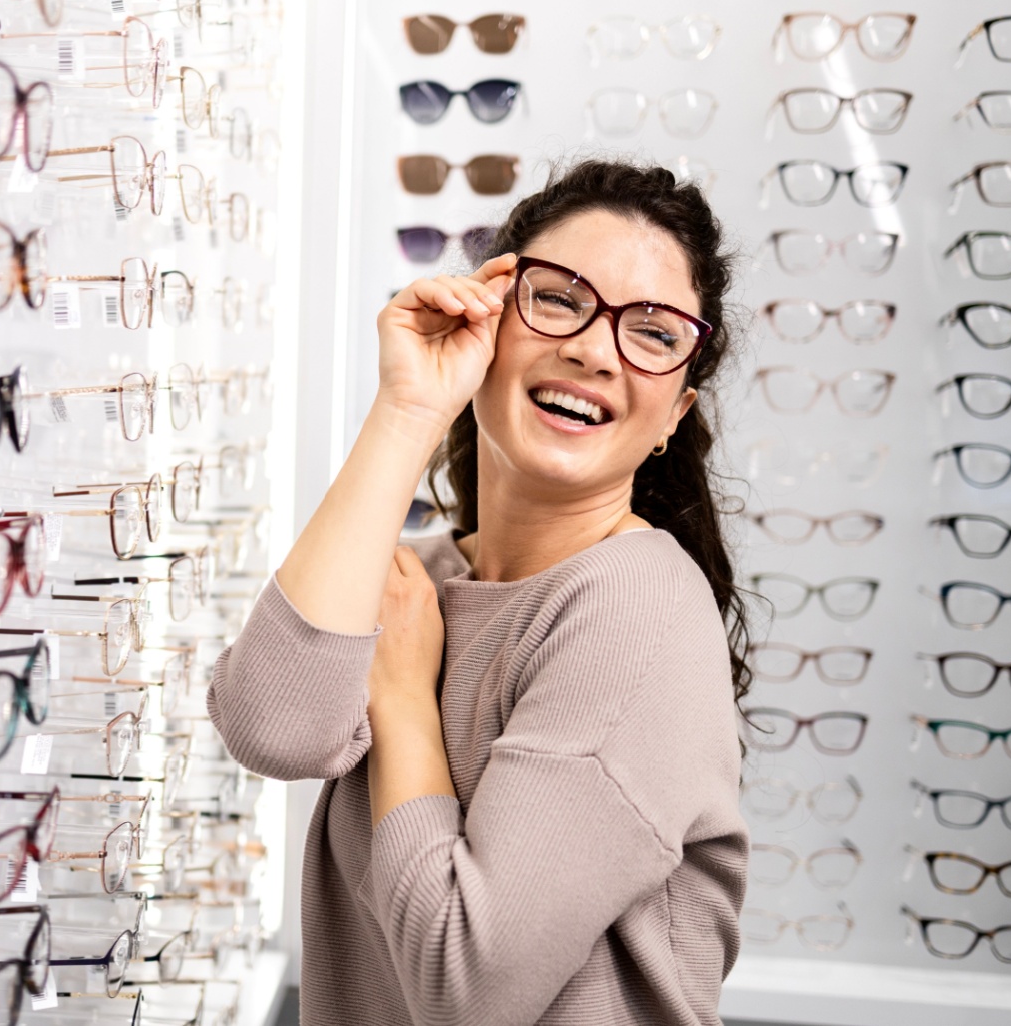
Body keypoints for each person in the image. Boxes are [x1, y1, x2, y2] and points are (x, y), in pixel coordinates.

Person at [207, 158, 752, 1026]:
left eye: (652, 333)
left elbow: (470, 991)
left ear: (676, 412)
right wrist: (407, 409)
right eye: (560, 299)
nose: (593, 348)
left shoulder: (634, 607)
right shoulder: (418, 581)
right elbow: (271, 730)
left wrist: (404, 704)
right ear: (488, 317)